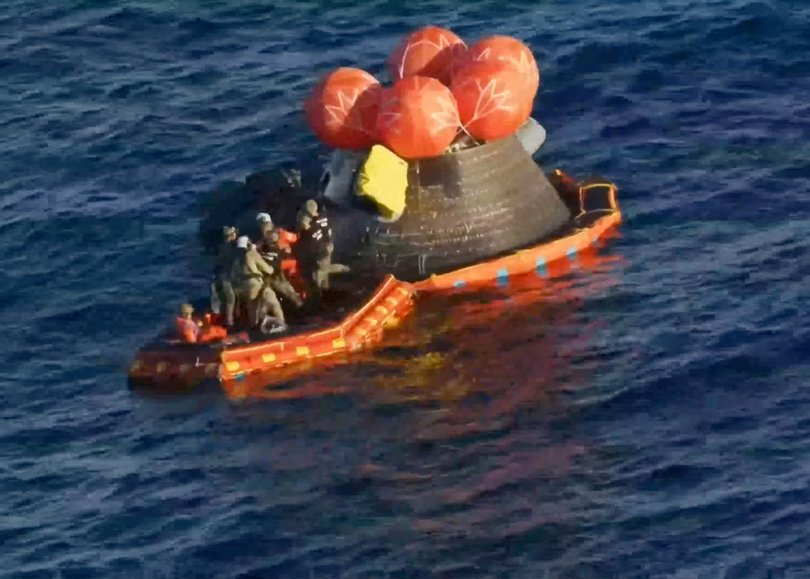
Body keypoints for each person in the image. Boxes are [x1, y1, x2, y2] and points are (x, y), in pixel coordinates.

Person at [295, 199, 350, 298]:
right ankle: (326, 291)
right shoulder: (323, 217)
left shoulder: (309, 226)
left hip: (319, 250)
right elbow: (326, 230)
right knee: (325, 270)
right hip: (328, 245)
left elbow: (309, 238)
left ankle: (319, 297)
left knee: (319, 273)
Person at [230, 236, 286, 327]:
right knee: (274, 303)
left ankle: (254, 327)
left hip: (243, 286)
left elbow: (233, 276)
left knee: (252, 308)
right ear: (248, 244)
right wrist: (273, 267)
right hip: (256, 283)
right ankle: (281, 324)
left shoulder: (236, 259)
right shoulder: (251, 254)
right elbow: (267, 269)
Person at [255, 228, 304, 309]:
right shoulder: (261, 247)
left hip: (277, 273)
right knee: (266, 296)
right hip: (267, 275)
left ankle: (300, 307)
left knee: (288, 290)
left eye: (275, 237)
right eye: (271, 237)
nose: (273, 238)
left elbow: (286, 254)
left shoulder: (278, 248)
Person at [210, 226, 238, 327]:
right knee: (231, 298)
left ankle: (218, 320)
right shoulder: (231, 248)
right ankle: (230, 322)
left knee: (219, 300)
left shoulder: (219, 246)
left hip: (217, 275)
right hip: (225, 276)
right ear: (231, 235)